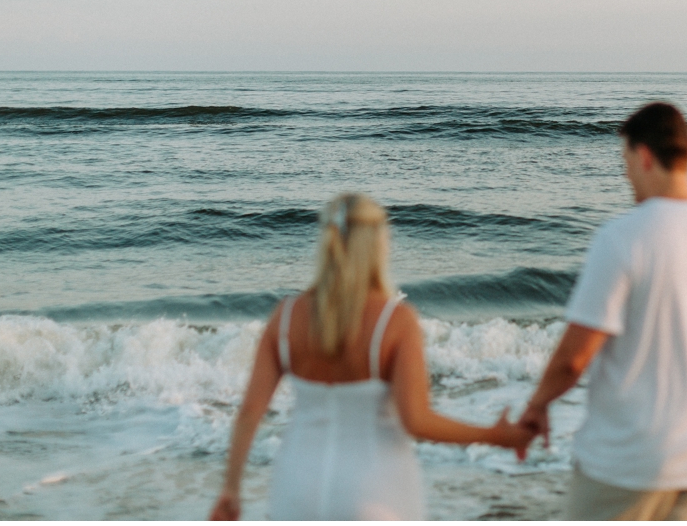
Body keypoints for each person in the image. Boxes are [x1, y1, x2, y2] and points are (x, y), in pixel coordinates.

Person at [209, 193, 531, 520]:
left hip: (297, 485)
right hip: (374, 489)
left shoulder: (287, 316)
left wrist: (230, 490)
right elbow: (416, 421)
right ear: (377, 242)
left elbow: (249, 413)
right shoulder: (395, 320)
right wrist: (494, 435)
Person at [517, 102, 687, 520]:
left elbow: (574, 360)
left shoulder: (623, 237)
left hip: (627, 460)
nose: (626, 174)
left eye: (626, 161)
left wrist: (537, 404)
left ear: (644, 156)